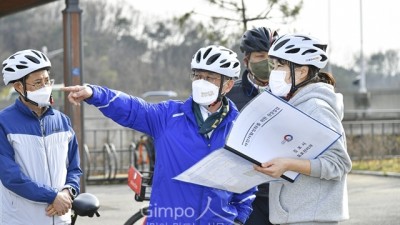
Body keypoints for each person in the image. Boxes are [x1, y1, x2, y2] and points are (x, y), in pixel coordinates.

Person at [62, 45, 256, 224]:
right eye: (198, 76)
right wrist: (94, 93)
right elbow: (133, 108)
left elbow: (247, 184)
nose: (201, 82)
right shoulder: (167, 116)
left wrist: (238, 220)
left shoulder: (240, 128)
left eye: (210, 77)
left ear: (228, 85)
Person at [254, 34, 352, 225]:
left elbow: (339, 164)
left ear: (301, 71)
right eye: (274, 66)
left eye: (280, 66)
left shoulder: (316, 107)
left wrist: (288, 164)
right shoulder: (292, 105)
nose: (274, 72)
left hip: (310, 217)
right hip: (294, 215)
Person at [0, 49, 82, 225]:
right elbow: (10, 176)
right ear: (18, 87)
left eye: (47, 81)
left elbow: (75, 168)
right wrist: (52, 196)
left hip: (61, 219)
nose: (45, 87)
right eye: (37, 83)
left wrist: (68, 192)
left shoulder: (62, 121)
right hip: (20, 220)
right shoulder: (3, 123)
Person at [226, 26, 278, 225]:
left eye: (272, 56)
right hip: (247, 193)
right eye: (260, 55)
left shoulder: (292, 93)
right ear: (246, 60)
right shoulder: (230, 94)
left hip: (283, 191)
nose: (267, 61)